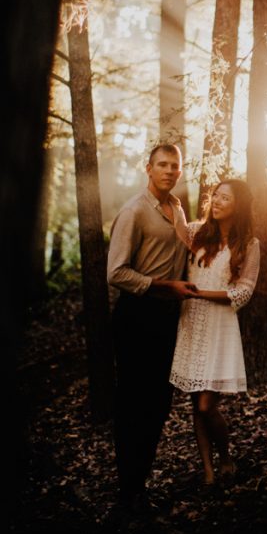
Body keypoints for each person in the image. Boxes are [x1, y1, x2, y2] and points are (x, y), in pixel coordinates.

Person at [107, 143, 198, 513]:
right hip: (136, 316)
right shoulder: (133, 212)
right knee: (133, 405)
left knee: (158, 405)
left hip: (166, 319)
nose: (169, 171)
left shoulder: (177, 207)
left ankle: (139, 486)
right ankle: (126, 492)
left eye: (175, 166)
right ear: (148, 168)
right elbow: (116, 273)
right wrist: (164, 286)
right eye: (162, 165)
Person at [170, 179, 261, 485]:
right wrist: (172, 199)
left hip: (220, 327)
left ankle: (225, 457)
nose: (218, 201)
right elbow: (175, 221)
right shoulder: (198, 233)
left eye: (226, 198)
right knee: (196, 404)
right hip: (192, 323)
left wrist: (199, 294)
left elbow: (243, 293)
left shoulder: (249, 244)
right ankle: (208, 470)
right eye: (216, 196)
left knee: (207, 404)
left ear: (239, 205)